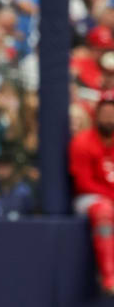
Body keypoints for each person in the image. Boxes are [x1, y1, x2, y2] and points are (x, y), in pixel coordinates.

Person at [69, 92, 114, 294]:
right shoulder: (82, 141)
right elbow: (83, 184)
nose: (109, 118)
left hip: (110, 196)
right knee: (104, 210)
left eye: (112, 114)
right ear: (96, 115)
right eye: (105, 113)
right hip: (88, 199)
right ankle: (109, 275)